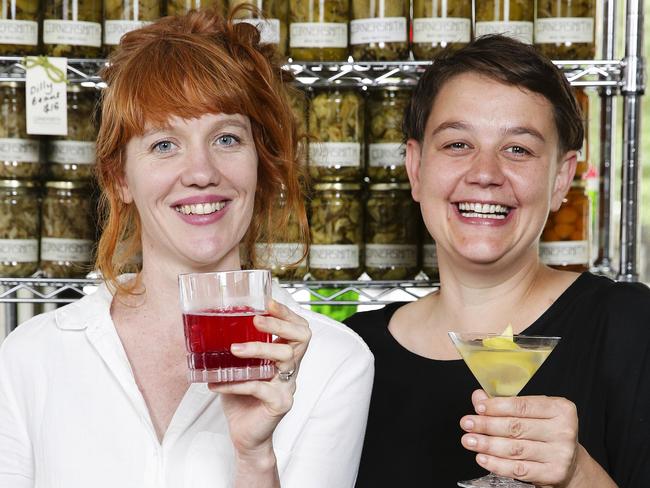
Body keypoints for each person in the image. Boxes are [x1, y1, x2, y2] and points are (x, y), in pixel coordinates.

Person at [0, 9, 374, 487]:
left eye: (226, 138)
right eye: (163, 145)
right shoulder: (32, 355)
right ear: (120, 178)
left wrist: (256, 458)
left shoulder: (335, 361)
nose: (201, 171)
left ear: (263, 167)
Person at [345, 35, 650, 488]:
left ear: (561, 179)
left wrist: (579, 475)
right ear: (415, 168)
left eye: (518, 149)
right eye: (456, 144)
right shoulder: (355, 352)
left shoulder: (628, 325)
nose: (485, 174)